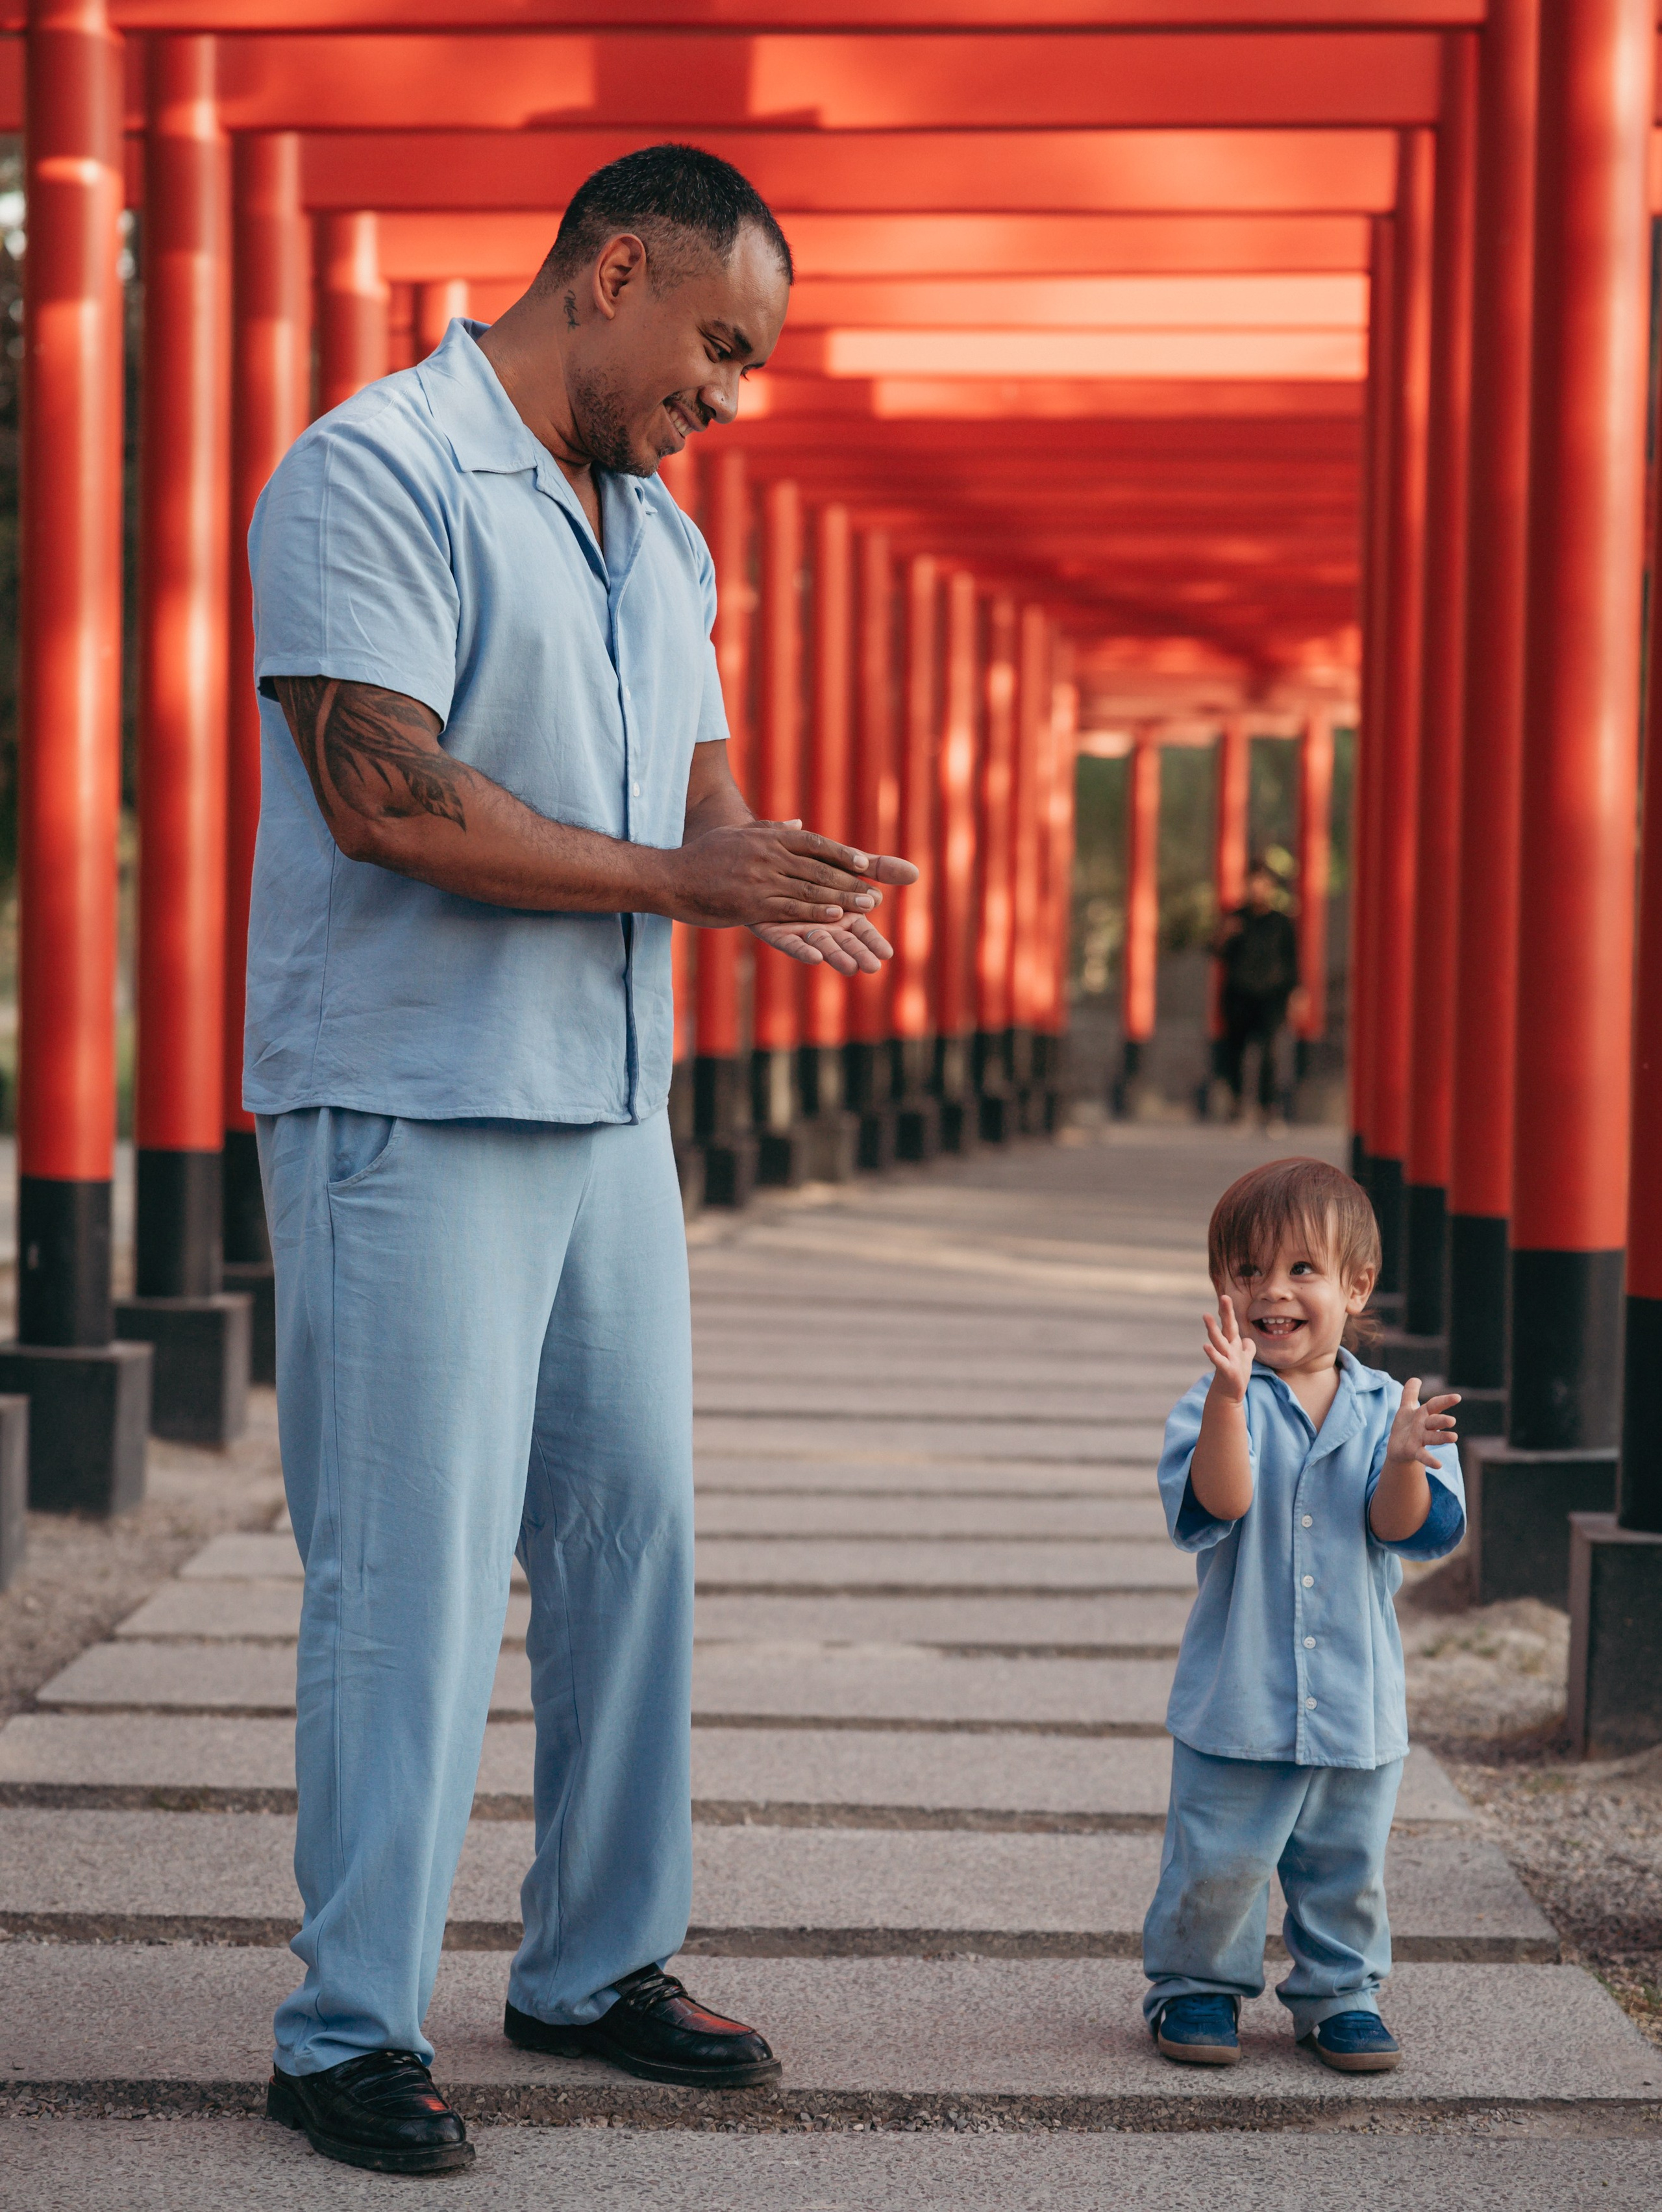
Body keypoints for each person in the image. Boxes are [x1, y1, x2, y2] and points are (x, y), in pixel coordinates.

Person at [245, 143, 917, 2177]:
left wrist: (761, 864)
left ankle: (593, 1963)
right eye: (715, 346)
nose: (726, 395)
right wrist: (675, 875)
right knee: (410, 1578)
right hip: (411, 1098)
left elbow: (696, 782)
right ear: (612, 271)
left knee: (633, 1544)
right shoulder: (368, 470)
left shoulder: (665, 538)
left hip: (610, 1108)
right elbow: (389, 797)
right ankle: (346, 2025)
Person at [1141, 1156, 1463, 2072]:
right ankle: (1195, 1984)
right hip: (1238, 1695)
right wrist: (1230, 1404)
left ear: (1356, 1285)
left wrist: (1404, 1458)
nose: (1270, 1290)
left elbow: (1400, 1528)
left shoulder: (1392, 1410)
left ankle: (1341, 1992)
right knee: (1217, 1858)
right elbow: (1222, 1500)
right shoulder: (1212, 1403)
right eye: (1246, 1272)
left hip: (1354, 1697)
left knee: (1345, 1865)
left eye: (1301, 1270)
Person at [1213, 860, 1300, 1123]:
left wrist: (1297, 992)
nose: (1257, 888)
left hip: (1272, 995)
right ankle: (1237, 1104)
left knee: (1271, 1052)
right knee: (1235, 1052)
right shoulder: (1235, 918)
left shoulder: (1282, 922)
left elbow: (1292, 960)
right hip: (1239, 994)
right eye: (1253, 882)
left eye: (1262, 883)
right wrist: (1225, 935)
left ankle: (1268, 1108)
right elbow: (1217, 954)